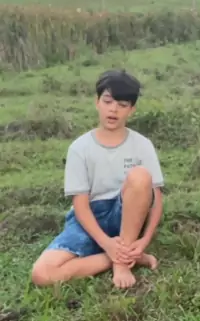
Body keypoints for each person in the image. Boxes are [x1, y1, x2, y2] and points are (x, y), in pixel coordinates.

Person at [32, 69, 164, 289]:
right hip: (89, 218)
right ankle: (119, 257)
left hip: (127, 215)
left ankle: (122, 261)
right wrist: (108, 246)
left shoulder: (142, 145)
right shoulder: (80, 148)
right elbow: (80, 205)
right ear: (97, 102)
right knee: (42, 274)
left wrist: (144, 240)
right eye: (108, 101)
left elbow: (156, 199)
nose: (113, 109)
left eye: (122, 105)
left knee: (140, 176)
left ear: (132, 109)